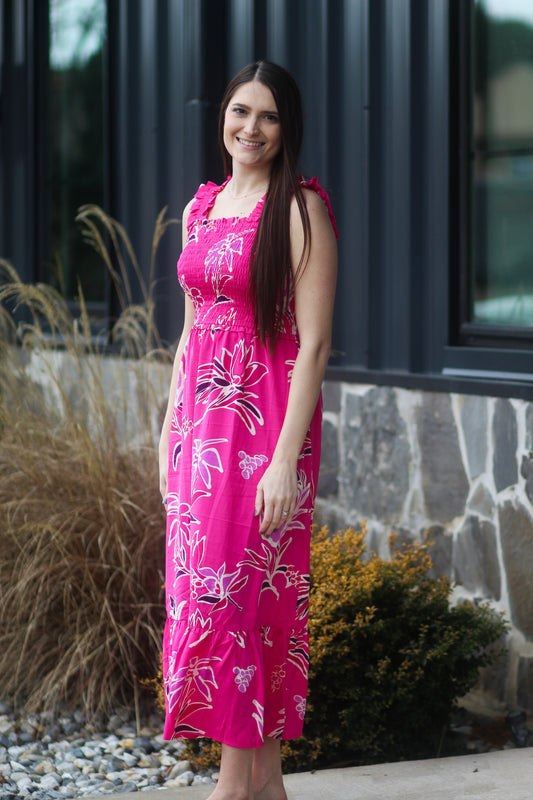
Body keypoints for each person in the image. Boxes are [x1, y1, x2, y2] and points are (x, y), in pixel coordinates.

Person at [158, 60, 338, 800]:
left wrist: (283, 463)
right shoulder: (202, 208)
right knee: (204, 599)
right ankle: (263, 787)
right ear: (222, 116)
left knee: (237, 602)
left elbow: (316, 346)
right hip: (197, 436)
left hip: (263, 435)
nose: (250, 128)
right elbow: (191, 329)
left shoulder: (299, 212)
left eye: (266, 116)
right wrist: (167, 428)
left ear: (285, 127)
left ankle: (232, 790)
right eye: (240, 111)